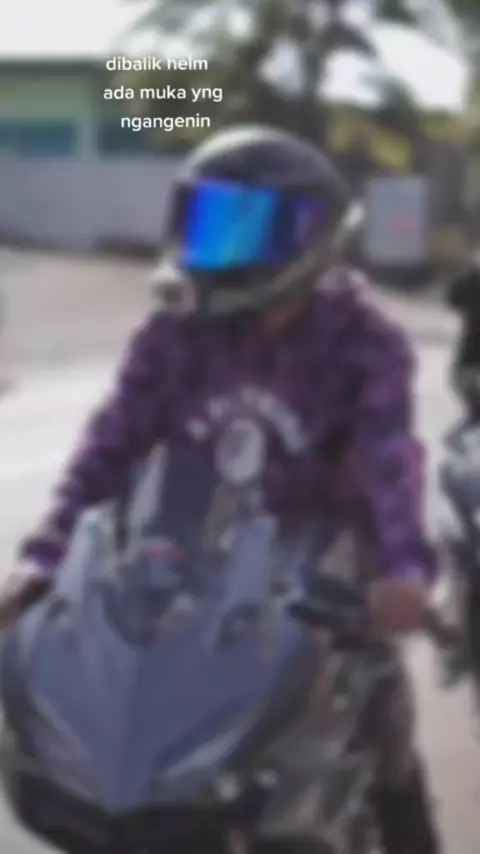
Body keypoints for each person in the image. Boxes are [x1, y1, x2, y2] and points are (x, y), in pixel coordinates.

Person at [0, 126, 440, 853]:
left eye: (248, 229)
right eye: (209, 223)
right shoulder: (175, 334)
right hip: (189, 579)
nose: (222, 248)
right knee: (123, 758)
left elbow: (390, 459)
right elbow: (111, 445)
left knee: (385, 732)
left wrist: (404, 571)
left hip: (319, 590)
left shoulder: (366, 342)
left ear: (313, 240)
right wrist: (43, 559)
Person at [446, 259, 480, 420]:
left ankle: (476, 409)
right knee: (462, 377)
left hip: (472, 337)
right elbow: (453, 298)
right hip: (472, 337)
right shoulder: (471, 281)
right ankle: (476, 409)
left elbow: (454, 299)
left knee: (462, 377)